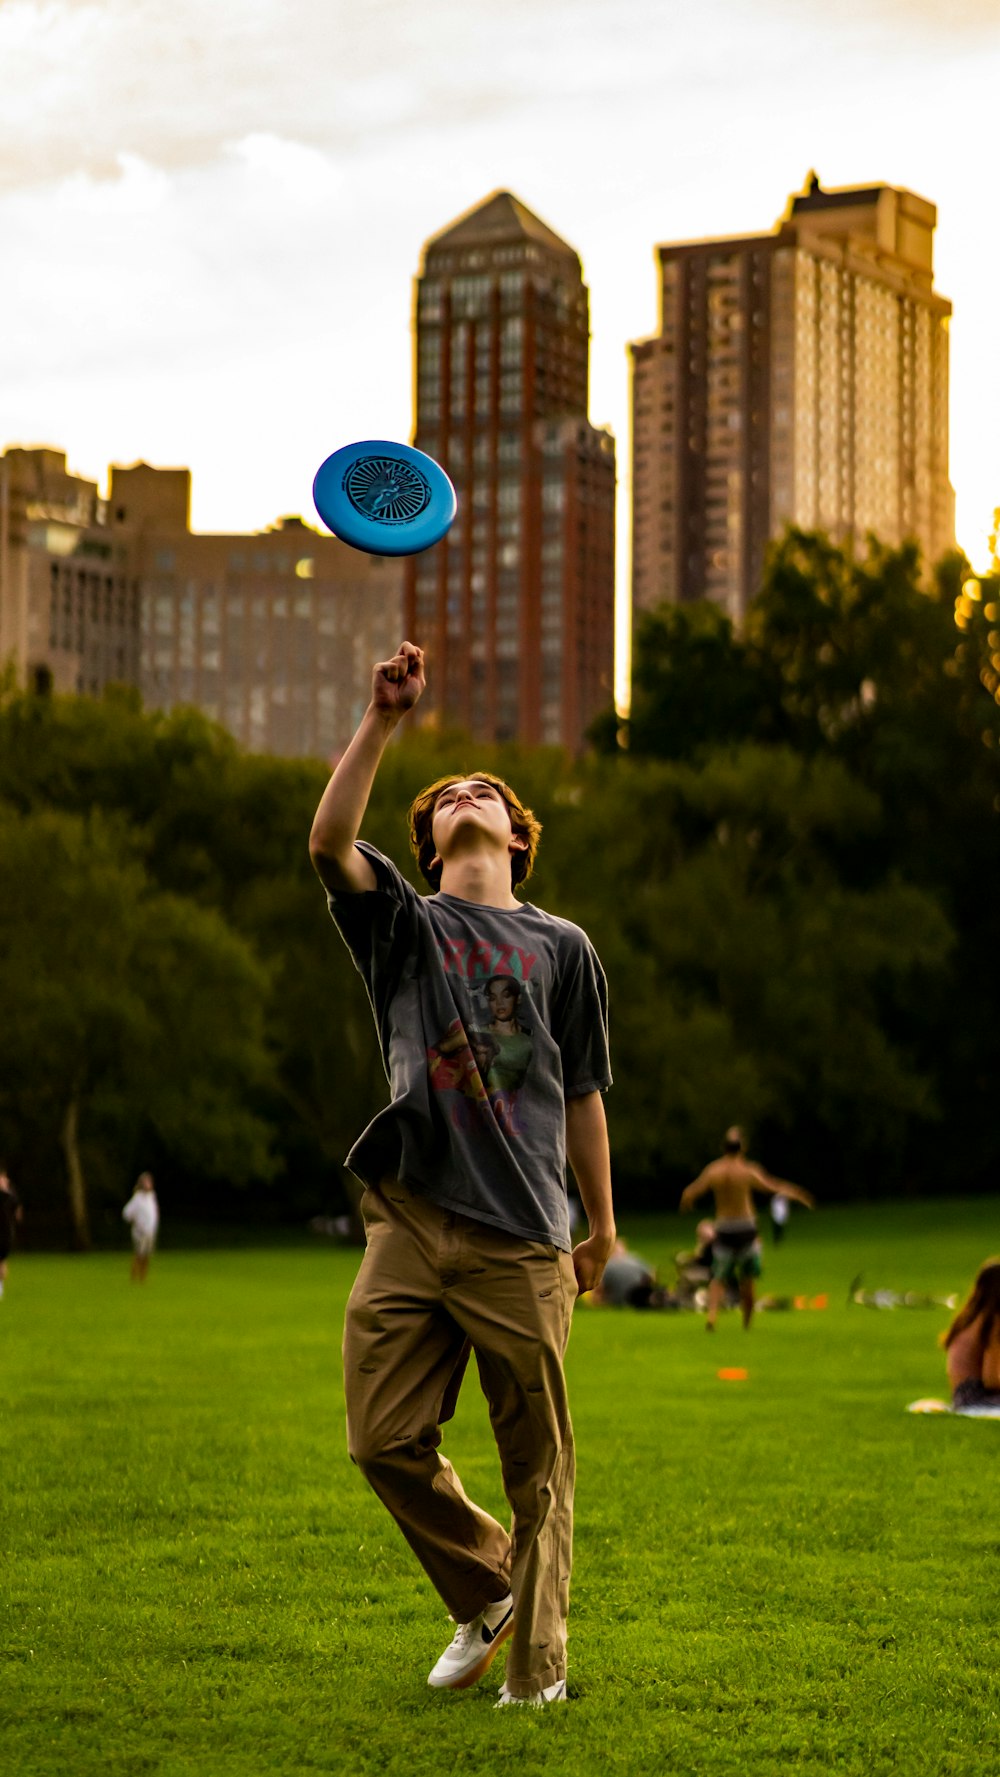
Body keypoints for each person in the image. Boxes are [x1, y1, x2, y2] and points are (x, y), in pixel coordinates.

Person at [308, 640, 614, 1710]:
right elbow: (329, 839)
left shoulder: (564, 948)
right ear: (430, 845)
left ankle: (535, 1675)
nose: (469, 795)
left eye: (488, 790)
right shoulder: (404, 925)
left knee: (540, 1469)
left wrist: (603, 1231)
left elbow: (582, 1093)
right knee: (379, 1436)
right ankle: (485, 1589)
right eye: (446, 798)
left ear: (517, 840)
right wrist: (383, 719)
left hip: (525, 1232)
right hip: (411, 1216)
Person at [679, 1127, 814, 1330]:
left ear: (723, 1147)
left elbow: (690, 1192)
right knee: (748, 1277)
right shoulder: (747, 1170)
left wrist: (685, 1204)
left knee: (718, 1277)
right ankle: (747, 1322)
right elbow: (773, 1186)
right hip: (746, 1229)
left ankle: (712, 1316)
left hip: (723, 1228)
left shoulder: (714, 1170)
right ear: (742, 1147)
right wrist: (799, 1194)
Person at [940, 1257, 1000, 1411]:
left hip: (961, 1398)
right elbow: (992, 1380)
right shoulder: (993, 1321)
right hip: (978, 1399)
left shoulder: (970, 1318)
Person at [122, 1172, 159, 1282]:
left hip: (150, 1231)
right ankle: (133, 1278)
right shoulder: (137, 1198)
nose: (148, 1184)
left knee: (146, 1256)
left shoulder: (151, 1196)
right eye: (146, 1182)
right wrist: (136, 1223)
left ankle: (143, 1278)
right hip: (140, 1232)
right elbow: (127, 1213)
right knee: (139, 1255)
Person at [0, 1167, 22, 1300]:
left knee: (1, 1261)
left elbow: (18, 1213)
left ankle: (0, 1286)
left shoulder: (10, 1196)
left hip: (4, 1233)